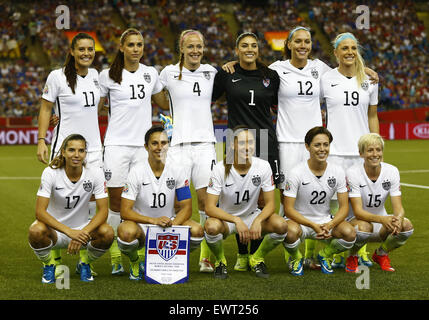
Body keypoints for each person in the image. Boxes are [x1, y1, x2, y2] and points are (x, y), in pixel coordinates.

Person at [212, 32, 284, 272]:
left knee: (264, 199)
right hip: (236, 139)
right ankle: (242, 255)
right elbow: (209, 98)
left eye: (253, 45)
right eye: (244, 45)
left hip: (265, 140)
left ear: (258, 49)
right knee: (235, 195)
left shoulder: (271, 76)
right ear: (237, 50)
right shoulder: (226, 74)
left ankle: (255, 255)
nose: (249, 49)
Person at [98, 28, 168, 275]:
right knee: (116, 202)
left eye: (139, 44)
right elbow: (93, 107)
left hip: (143, 148)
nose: (136, 49)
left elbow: (165, 103)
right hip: (116, 145)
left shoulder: (151, 73)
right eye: (131, 45)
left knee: (140, 199)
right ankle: (117, 255)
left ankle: (137, 253)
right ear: (122, 47)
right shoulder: (108, 76)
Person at [36, 32, 104, 275]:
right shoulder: (57, 76)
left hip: (94, 148)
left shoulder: (97, 76)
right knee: (58, 200)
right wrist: (42, 139)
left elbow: (97, 106)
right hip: (64, 147)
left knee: (89, 203)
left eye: (90, 49)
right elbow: (45, 108)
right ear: (73, 52)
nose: (86, 53)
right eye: (82, 49)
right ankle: (54, 258)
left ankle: (83, 260)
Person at [158, 29, 218, 273]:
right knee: (176, 203)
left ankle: (206, 257)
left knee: (206, 201)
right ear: (181, 49)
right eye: (190, 46)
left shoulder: (212, 72)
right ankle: (172, 254)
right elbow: (156, 97)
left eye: (199, 46)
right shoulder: (168, 73)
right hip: (177, 148)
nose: (195, 51)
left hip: (205, 146)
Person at [321, 32, 380, 268]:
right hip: (334, 152)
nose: (349, 52)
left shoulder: (370, 81)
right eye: (344, 48)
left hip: (360, 154)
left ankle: (359, 252)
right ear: (335, 53)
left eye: (353, 48)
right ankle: (329, 251)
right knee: (333, 206)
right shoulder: (325, 79)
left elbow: (372, 115)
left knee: (361, 205)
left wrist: (373, 145)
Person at [117, 125, 204, 280]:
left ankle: (171, 262)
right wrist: (153, 221)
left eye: (163, 143)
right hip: (142, 224)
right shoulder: (136, 171)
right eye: (154, 143)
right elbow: (125, 211)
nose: (159, 147)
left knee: (197, 231)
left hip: (169, 222)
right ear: (146, 147)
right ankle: (136, 262)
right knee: (125, 232)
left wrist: (173, 227)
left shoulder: (178, 170)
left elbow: (186, 207)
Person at [28, 134, 114, 283]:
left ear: (85, 154)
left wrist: (82, 232)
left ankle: (85, 263)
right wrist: (69, 232)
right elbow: (39, 212)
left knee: (107, 232)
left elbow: (103, 211)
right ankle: (49, 264)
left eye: (81, 151)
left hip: (82, 230)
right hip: (55, 232)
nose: (76, 155)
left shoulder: (95, 173)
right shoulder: (50, 173)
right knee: (35, 231)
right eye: (72, 150)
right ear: (63, 152)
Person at [205, 127, 288, 279]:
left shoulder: (263, 166)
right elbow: (209, 207)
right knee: (210, 227)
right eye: (242, 143)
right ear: (232, 145)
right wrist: (236, 220)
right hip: (227, 220)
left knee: (281, 225)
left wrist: (258, 220)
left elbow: (270, 204)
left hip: (251, 215)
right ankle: (220, 261)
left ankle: (257, 258)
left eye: (250, 142)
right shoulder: (219, 168)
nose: (247, 147)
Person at [282, 126, 356, 276]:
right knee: (288, 232)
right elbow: (288, 209)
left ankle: (324, 255)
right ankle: (296, 257)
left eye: (326, 144)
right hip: (301, 222)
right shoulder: (296, 172)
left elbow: (343, 208)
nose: (322, 149)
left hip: (325, 221)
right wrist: (312, 225)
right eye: (317, 145)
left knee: (350, 233)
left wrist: (330, 224)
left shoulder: (338, 171)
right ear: (307, 147)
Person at [345, 133, 413, 273]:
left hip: (382, 225)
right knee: (364, 227)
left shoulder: (392, 171)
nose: (375, 154)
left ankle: (381, 254)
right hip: (357, 224)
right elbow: (358, 211)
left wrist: (398, 219)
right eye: (370, 150)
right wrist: (383, 219)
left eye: (378, 149)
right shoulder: (353, 172)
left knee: (406, 225)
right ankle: (352, 256)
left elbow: (398, 208)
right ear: (361, 153)